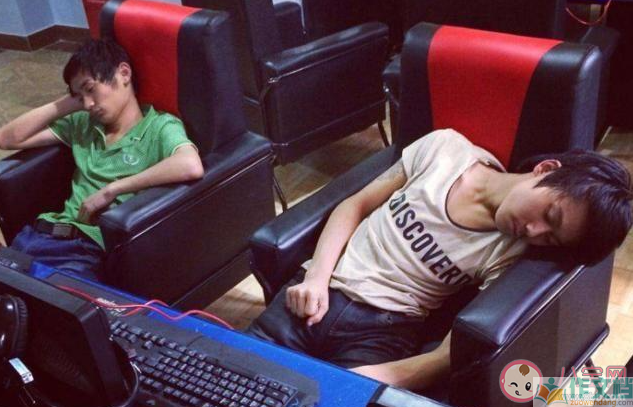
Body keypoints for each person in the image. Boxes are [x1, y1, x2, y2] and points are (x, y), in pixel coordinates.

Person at [247, 128, 633, 390]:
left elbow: (450, 354)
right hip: (315, 295)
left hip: (381, 332)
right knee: (232, 377)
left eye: (550, 238)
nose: (533, 231)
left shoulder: (509, 253)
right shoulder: (445, 149)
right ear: (545, 171)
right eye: (549, 214)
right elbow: (356, 205)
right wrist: (316, 276)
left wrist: (376, 380)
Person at [0, 39, 204, 280]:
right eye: (80, 97)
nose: (88, 104)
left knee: (45, 302)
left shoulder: (158, 126)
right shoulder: (83, 124)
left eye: (91, 89)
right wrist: (69, 101)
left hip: (80, 251)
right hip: (33, 237)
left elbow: (190, 165)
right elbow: (7, 139)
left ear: (124, 74)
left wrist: (112, 190)